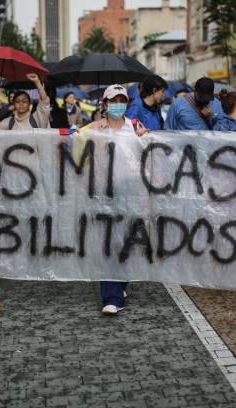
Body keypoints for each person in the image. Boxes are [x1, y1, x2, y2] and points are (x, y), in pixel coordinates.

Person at [89, 84, 148, 315]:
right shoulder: (94, 128)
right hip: (105, 191)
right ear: (105, 104)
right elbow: (75, 150)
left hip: (131, 190)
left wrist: (145, 138)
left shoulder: (135, 127)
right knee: (108, 242)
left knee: (127, 242)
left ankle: (120, 282)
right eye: (113, 101)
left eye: (122, 100)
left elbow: (151, 155)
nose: (117, 105)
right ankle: (111, 297)